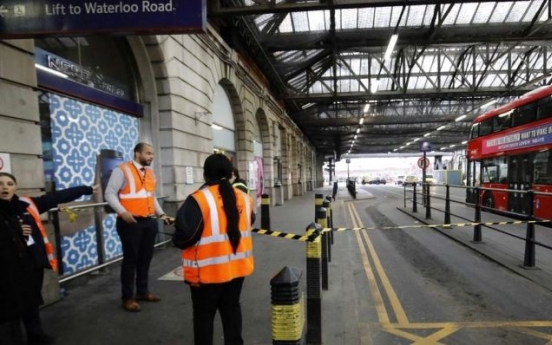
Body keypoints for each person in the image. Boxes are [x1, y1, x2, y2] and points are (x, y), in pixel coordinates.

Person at [0, 172, 96, 344]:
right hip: (6, 267)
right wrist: (15, 229)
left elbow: (57, 197)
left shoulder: (27, 204)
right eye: (0, 184)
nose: (5, 187)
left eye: (9, 183)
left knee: (31, 302)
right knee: (9, 309)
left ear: (15, 187)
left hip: (30, 263)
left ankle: (36, 336)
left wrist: (86, 189)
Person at [173, 153, 255, 345]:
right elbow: (249, 221)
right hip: (237, 269)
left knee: (203, 317)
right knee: (232, 311)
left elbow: (184, 237)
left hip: (207, 273)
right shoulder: (244, 198)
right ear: (230, 174)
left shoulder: (198, 199)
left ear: (205, 175)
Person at [105, 142, 171, 312]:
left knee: (145, 258)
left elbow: (151, 196)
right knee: (131, 260)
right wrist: (122, 211)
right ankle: (127, 298)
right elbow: (109, 193)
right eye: (148, 153)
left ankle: (142, 291)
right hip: (130, 222)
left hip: (148, 221)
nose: (152, 157)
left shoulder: (149, 173)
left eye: (153, 154)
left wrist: (161, 214)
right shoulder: (122, 170)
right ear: (137, 154)